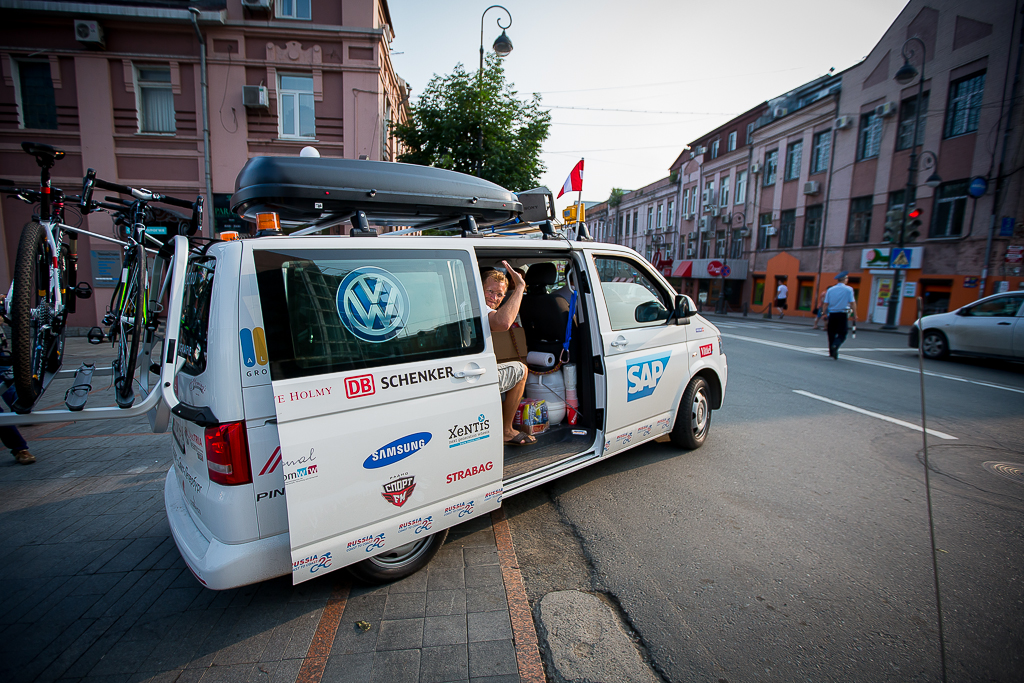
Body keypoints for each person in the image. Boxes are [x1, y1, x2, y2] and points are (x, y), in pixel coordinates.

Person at [483, 263, 535, 446]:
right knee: (521, 370)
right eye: (490, 291)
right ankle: (506, 430)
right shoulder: (482, 308)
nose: (494, 298)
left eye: (499, 295)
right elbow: (503, 322)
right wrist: (520, 286)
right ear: (479, 288)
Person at [823, 271, 857, 359]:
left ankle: (831, 351)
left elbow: (826, 303)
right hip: (842, 314)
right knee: (843, 332)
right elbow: (852, 302)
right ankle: (836, 344)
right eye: (847, 278)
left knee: (831, 333)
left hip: (832, 314)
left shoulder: (830, 290)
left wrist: (824, 313)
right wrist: (855, 314)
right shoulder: (849, 289)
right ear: (845, 280)